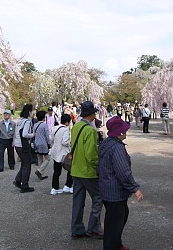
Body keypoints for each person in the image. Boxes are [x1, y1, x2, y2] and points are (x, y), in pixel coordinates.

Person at [98, 116, 143, 250]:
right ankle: (112, 246)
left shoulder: (106, 143)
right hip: (114, 191)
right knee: (114, 223)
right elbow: (123, 172)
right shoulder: (116, 148)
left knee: (120, 218)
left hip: (107, 188)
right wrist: (135, 188)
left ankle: (117, 244)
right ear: (120, 132)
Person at [70, 101, 103, 240]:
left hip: (75, 169)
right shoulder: (90, 130)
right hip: (87, 171)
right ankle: (93, 228)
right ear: (93, 114)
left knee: (78, 200)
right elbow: (91, 155)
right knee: (98, 197)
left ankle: (77, 229)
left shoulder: (76, 126)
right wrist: (98, 166)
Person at [50, 113, 73, 195]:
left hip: (55, 151)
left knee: (56, 171)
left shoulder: (55, 128)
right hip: (63, 153)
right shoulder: (66, 130)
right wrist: (70, 142)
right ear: (67, 122)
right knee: (70, 169)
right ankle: (68, 185)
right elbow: (65, 142)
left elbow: (51, 139)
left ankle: (54, 187)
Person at [14, 104, 35, 193]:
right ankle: (24, 185)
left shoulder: (19, 120)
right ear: (29, 112)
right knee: (27, 165)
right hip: (24, 145)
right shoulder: (27, 121)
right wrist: (33, 135)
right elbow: (24, 134)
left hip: (17, 144)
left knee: (24, 163)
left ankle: (18, 180)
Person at [33, 110, 50, 181]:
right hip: (43, 143)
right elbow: (47, 136)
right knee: (47, 158)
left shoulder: (35, 125)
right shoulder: (44, 125)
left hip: (37, 143)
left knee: (40, 159)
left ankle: (41, 174)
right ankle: (39, 171)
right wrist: (49, 143)